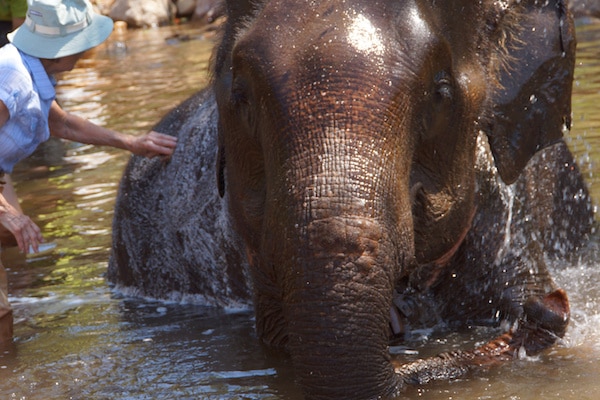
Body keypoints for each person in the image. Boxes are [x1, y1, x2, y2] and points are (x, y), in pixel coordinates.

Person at [0, 0, 178, 342]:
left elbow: (64, 124)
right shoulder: (13, 79)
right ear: (62, 50)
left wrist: (132, 143)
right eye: (83, 45)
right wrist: (8, 214)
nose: (87, 52)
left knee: (12, 241)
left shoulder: (33, 70)